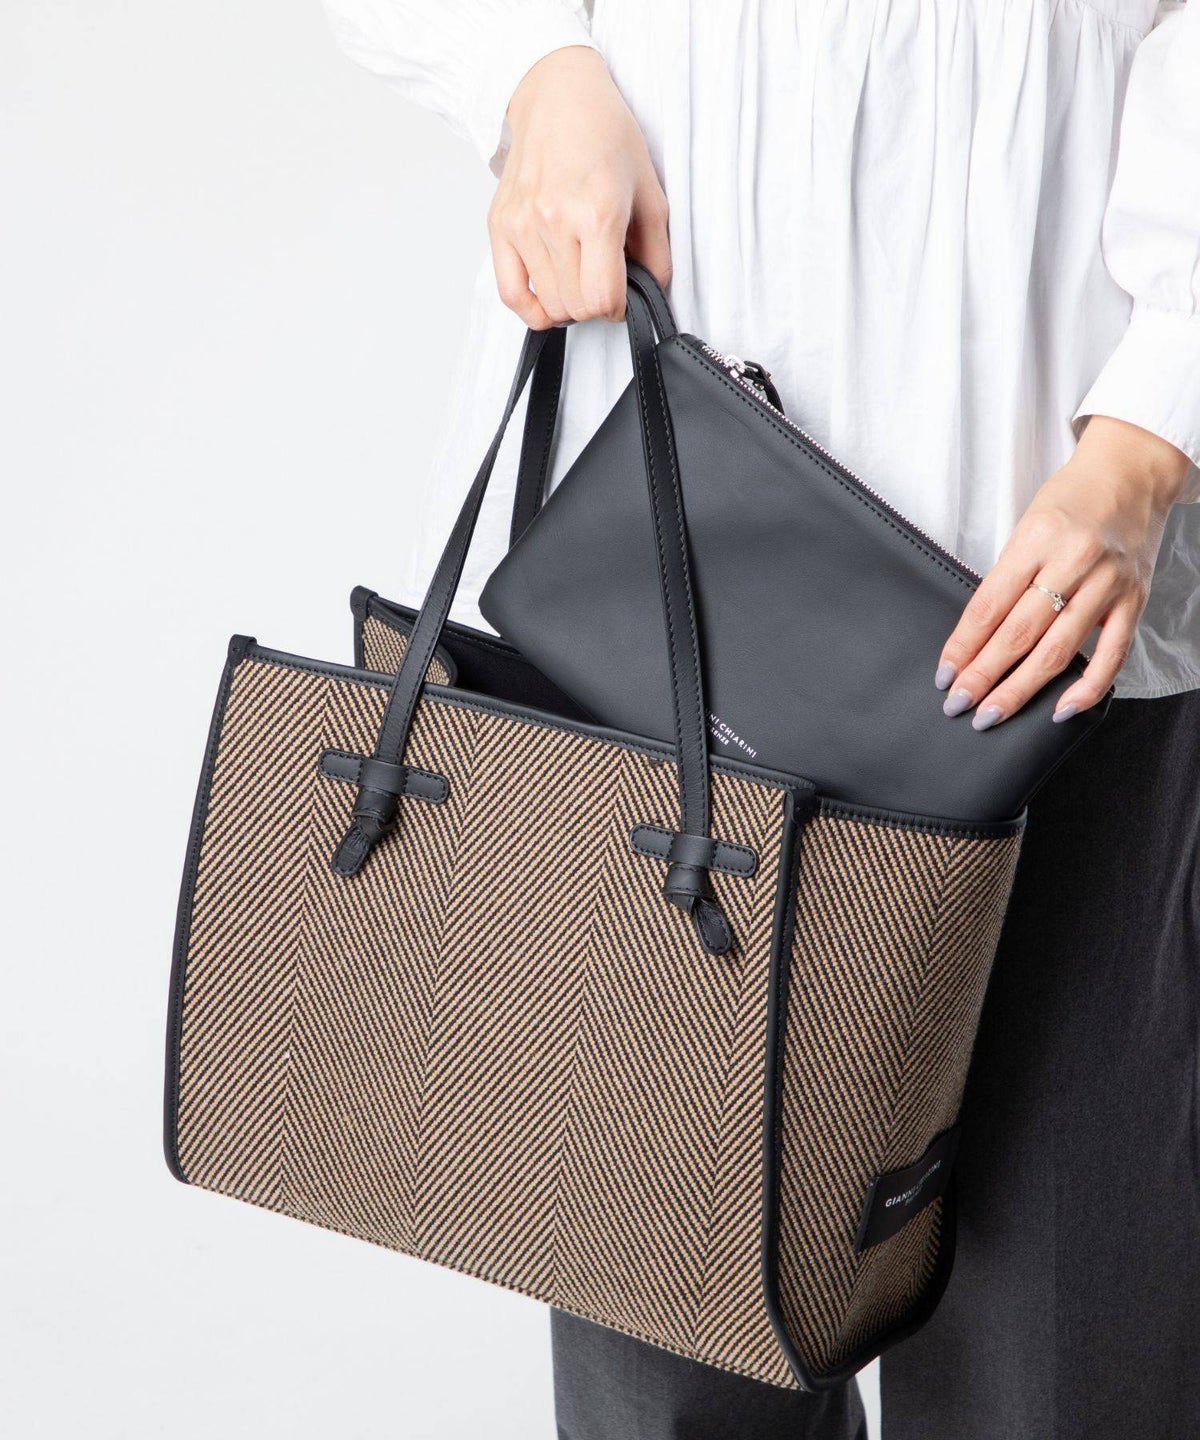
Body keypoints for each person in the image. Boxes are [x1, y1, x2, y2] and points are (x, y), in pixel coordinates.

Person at [319, 3, 1200, 1436]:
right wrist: (532, 71)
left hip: (1056, 578)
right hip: (651, 587)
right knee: (671, 1365)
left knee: (1065, 1359)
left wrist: (1155, 426)